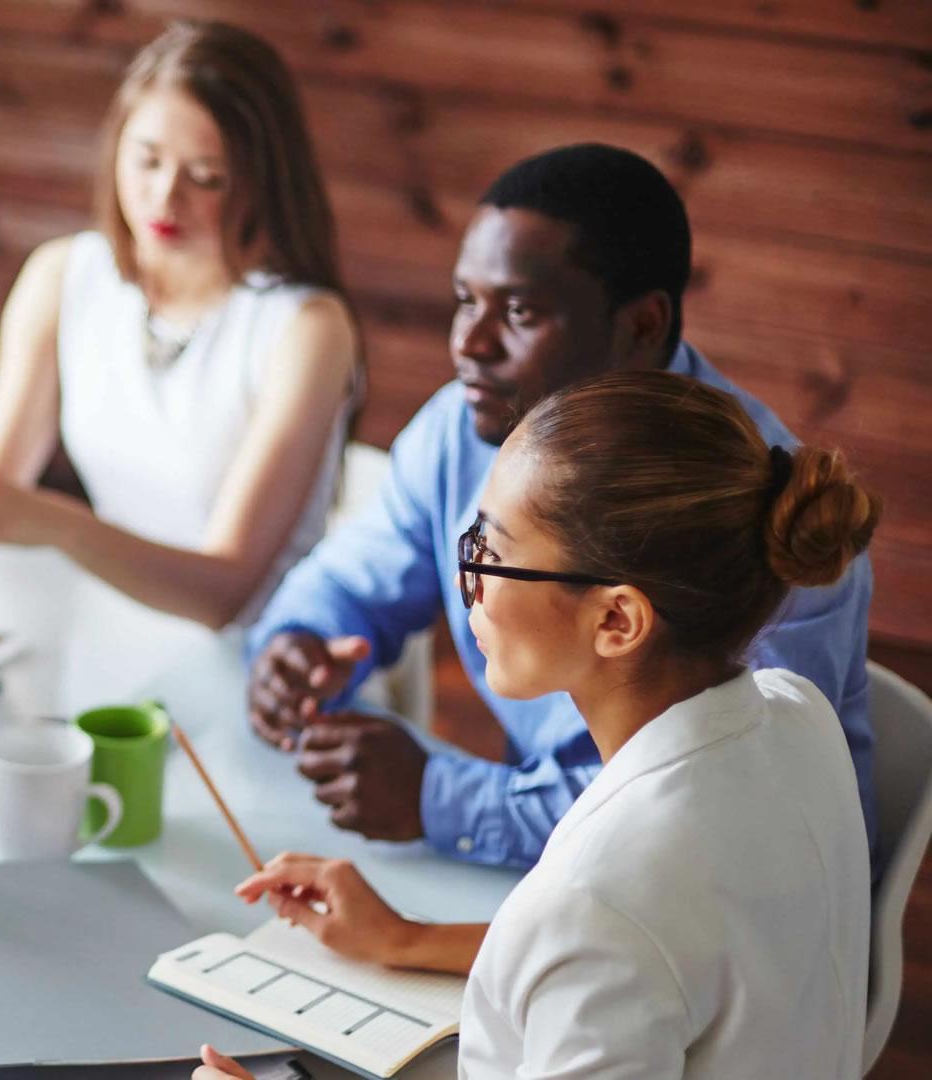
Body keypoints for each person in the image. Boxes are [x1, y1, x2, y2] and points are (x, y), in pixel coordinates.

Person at [198, 371, 877, 1078]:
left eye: (494, 550)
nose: (472, 582)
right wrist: (405, 940)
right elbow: (659, 959)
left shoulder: (601, 899)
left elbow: (610, 940)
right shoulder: (799, 715)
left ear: (616, 620)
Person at [245, 143, 876, 867]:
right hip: (576, 876)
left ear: (640, 325)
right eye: (464, 301)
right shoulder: (463, 427)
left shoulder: (758, 509)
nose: (468, 344)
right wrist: (296, 646)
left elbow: (720, 814)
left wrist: (442, 798)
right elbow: (353, 579)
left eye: (518, 310)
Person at [0, 19, 360, 628]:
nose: (165, 199)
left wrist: (50, 522)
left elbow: (224, 594)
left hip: (267, 657)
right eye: (147, 161)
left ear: (260, 182)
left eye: (205, 177)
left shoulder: (306, 329)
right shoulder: (64, 275)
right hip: (119, 624)